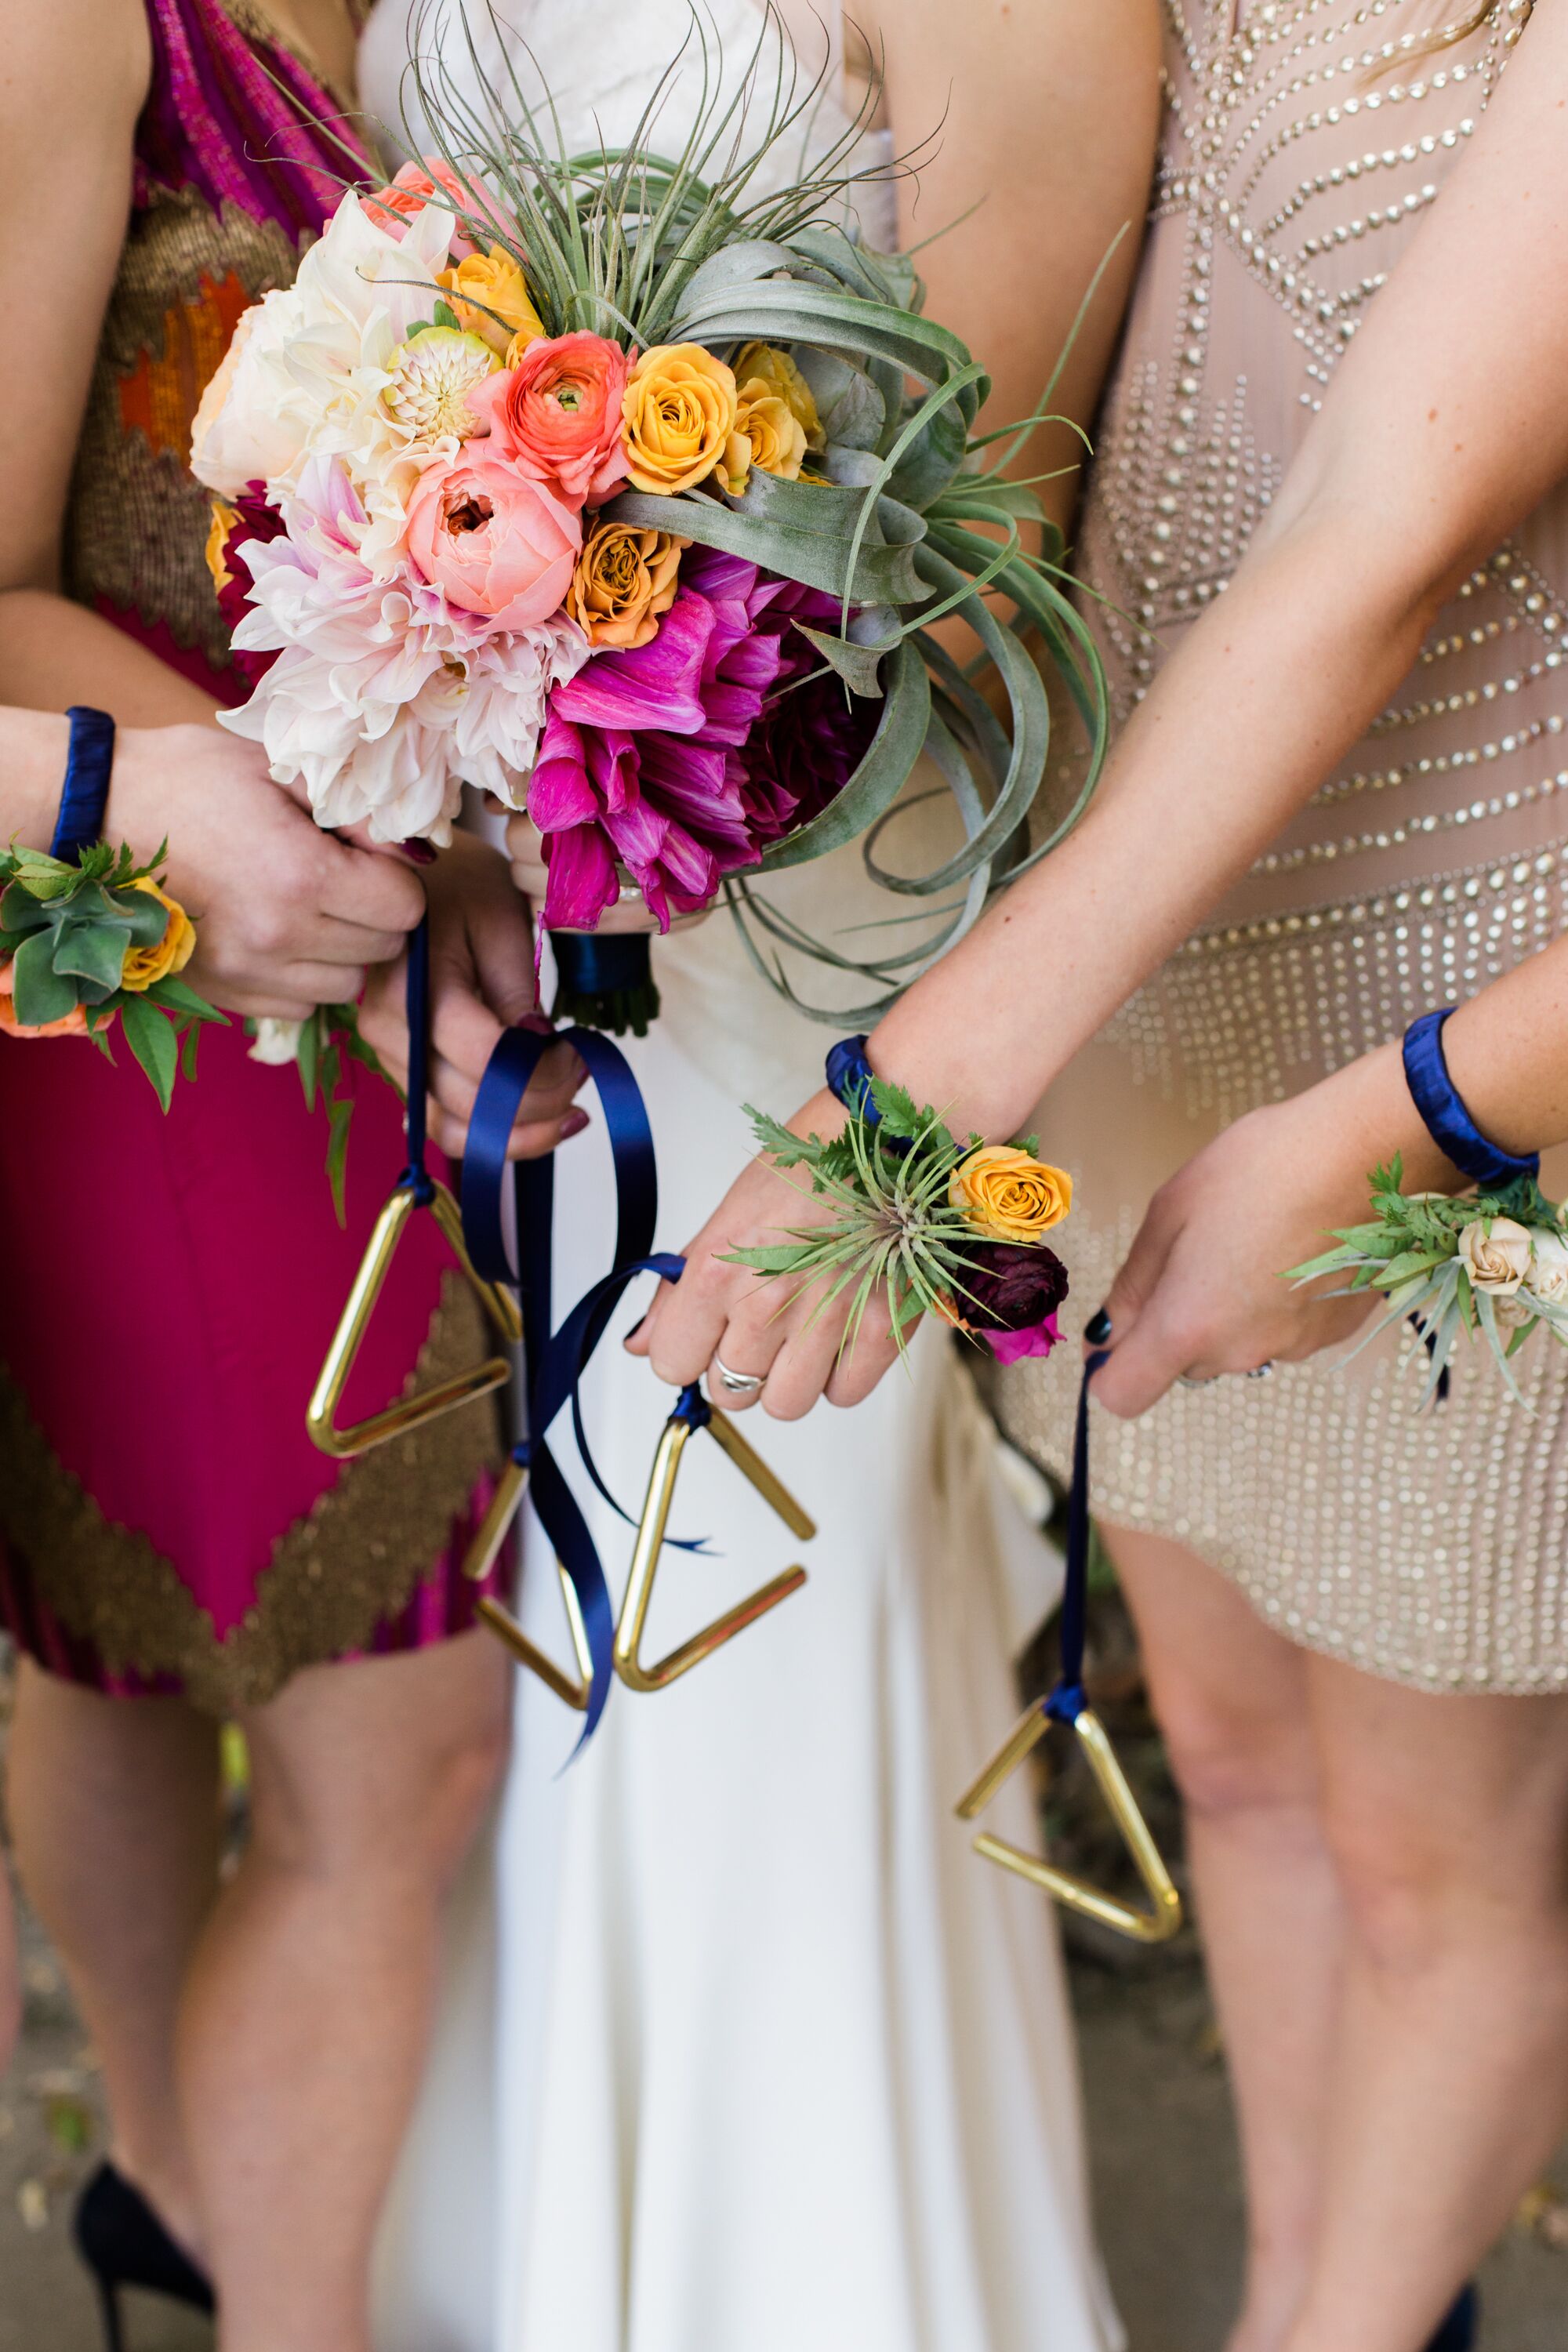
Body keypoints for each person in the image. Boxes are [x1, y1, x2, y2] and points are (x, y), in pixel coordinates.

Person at [638, 3, 1568, 2349]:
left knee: (1436, 1852)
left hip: (1457, 1034)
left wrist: (909, 1097)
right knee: (1241, 1767)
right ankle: (1321, 2293)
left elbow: (1382, 520)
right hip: (1154, 977)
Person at [354, 0, 1160, 2345]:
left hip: (806, 940)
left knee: (746, 1635)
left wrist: (620, 694)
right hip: (525, 919)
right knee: (583, 1644)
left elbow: (974, 576)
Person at [0, 6, 578, 2350]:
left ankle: (174, 2204)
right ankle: (248, 2263)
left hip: (400, 922)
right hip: (155, 953)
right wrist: (294, 824)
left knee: (184, 1667)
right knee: (313, 1704)